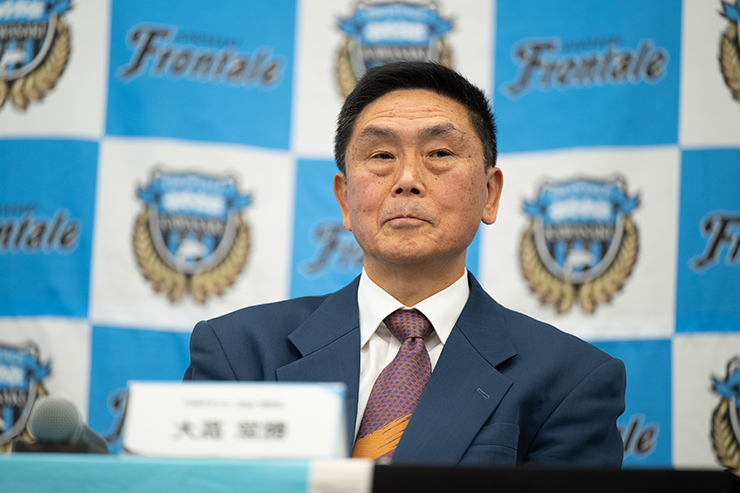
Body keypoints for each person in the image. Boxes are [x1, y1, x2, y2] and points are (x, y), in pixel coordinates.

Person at [184, 61, 626, 466]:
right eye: (381, 156)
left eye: (440, 154)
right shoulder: (239, 352)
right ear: (344, 199)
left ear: (490, 194)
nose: (408, 180)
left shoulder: (571, 379)